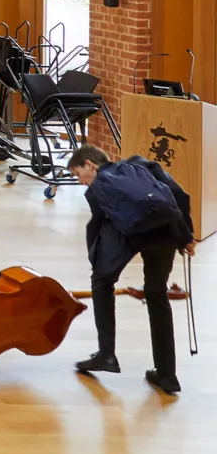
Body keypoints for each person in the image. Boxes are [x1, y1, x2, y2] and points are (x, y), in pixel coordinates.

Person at [69, 143, 195, 394]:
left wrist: (97, 262)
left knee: (102, 282)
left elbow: (97, 225)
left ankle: (106, 354)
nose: (81, 181)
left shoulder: (98, 186)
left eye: (78, 174)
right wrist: (186, 236)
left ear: (90, 165)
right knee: (157, 293)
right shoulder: (140, 164)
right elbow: (176, 194)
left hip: (130, 232)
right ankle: (167, 375)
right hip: (166, 229)